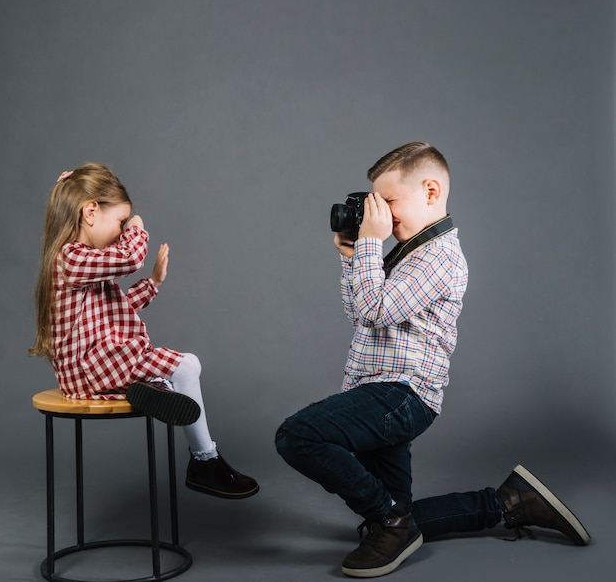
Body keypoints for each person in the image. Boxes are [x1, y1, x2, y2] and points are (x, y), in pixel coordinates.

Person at [275, 142, 590, 578]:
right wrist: (353, 257)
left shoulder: (440, 256)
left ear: (429, 191)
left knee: (298, 436)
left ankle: (392, 521)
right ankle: (508, 502)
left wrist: (369, 245)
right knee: (391, 514)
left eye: (386, 202)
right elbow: (359, 312)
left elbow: (376, 310)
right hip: (379, 391)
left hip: (401, 394)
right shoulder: (409, 252)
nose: (379, 216)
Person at [30, 162, 259, 500]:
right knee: (184, 366)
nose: (123, 230)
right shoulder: (71, 258)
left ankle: (154, 389)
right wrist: (137, 227)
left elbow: (114, 310)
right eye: (120, 221)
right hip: (90, 368)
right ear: (91, 212)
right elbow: (129, 258)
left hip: (94, 365)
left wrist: (152, 283)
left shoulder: (84, 263)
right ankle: (204, 461)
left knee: (180, 370)